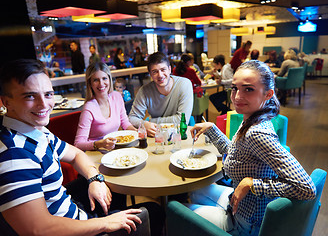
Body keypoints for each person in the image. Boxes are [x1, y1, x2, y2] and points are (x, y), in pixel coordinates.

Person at [0, 59, 164, 236]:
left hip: (71, 211)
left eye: (48, 94)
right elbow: (38, 229)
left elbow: (76, 154)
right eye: (30, 96)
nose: (43, 104)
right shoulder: (14, 154)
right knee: (154, 211)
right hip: (74, 228)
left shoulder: (38, 132)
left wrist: (95, 180)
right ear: (5, 102)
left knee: (110, 186)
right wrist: (104, 223)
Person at [187, 60, 316, 236]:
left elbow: (306, 188)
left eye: (248, 89)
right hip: (240, 205)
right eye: (234, 88)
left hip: (245, 223)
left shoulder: (257, 133)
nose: (237, 96)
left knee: (177, 208)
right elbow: (236, 153)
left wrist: (251, 184)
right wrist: (212, 129)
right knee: (193, 191)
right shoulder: (253, 118)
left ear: (267, 94)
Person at [129, 52, 193, 137]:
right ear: (150, 74)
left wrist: (150, 121)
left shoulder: (184, 84)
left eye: (163, 70)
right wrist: (144, 124)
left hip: (178, 135)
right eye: (155, 72)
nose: (160, 75)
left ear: (169, 69)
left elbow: (181, 120)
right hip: (156, 136)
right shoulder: (144, 91)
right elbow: (131, 118)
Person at [75, 62, 136, 151]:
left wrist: (135, 131)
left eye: (104, 78)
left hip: (114, 148)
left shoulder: (117, 96)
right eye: (96, 80)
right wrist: (101, 143)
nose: (101, 84)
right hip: (96, 152)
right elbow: (78, 144)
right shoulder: (89, 108)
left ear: (109, 79)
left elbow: (125, 122)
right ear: (90, 83)